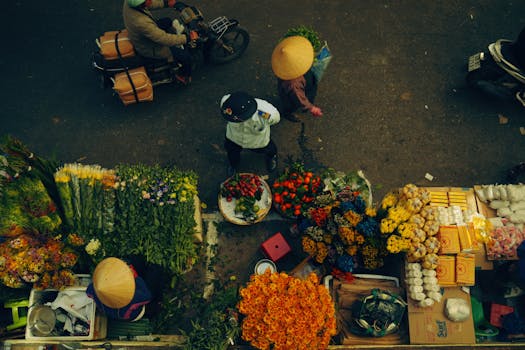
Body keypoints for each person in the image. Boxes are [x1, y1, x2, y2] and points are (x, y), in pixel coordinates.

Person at [123, 0, 197, 85]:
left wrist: (166, 3)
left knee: (167, 21)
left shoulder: (130, 3)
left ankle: (176, 40)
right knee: (186, 57)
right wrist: (187, 38)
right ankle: (183, 76)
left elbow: (150, 4)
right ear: (141, 4)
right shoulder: (141, 22)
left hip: (142, 35)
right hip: (150, 48)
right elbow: (163, 39)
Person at [220, 91, 280, 175]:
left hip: (257, 141)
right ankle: (233, 165)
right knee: (232, 152)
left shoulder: (266, 113)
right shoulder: (226, 102)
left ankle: (271, 157)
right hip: (233, 137)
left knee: (269, 150)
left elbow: (275, 119)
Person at [271, 36, 323, 122]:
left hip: (291, 88)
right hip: (290, 96)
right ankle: (287, 113)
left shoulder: (282, 65)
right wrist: (311, 108)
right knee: (290, 105)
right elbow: (299, 98)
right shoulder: (293, 84)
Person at [86, 257, 152, 321]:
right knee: (153, 275)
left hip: (109, 312)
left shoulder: (97, 288)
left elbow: (88, 291)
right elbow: (147, 297)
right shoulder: (133, 297)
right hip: (131, 316)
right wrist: (136, 277)